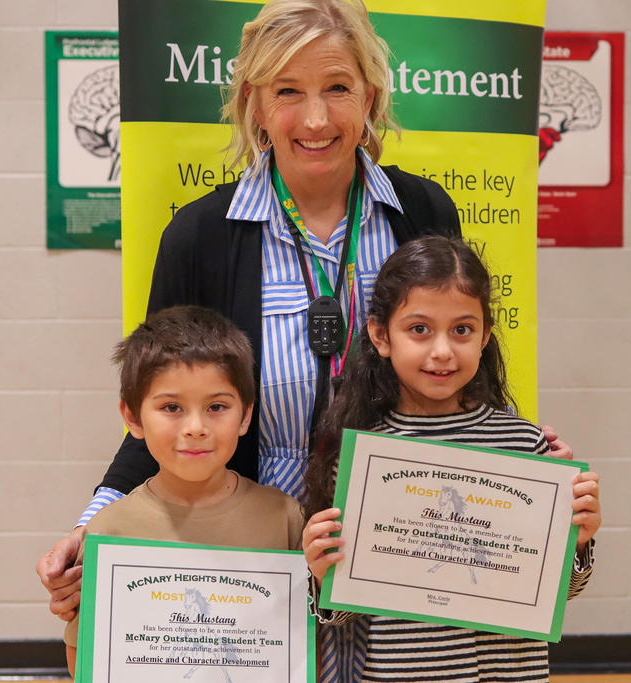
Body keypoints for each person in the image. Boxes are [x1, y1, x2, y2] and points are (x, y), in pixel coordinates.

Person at [37, 1, 572, 680]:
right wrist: (92, 531)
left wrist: (532, 478)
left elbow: (457, 384)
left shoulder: (424, 213)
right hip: (258, 573)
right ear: (254, 105)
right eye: (288, 91)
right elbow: (165, 406)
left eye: (337, 88)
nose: (315, 119)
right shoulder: (200, 238)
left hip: (400, 579)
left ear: (370, 97)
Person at [302, 236, 601, 683]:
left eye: (461, 330)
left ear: (485, 337)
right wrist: (322, 572)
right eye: (419, 329)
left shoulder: (526, 447)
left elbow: (563, 593)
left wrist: (581, 540)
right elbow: (340, 616)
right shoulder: (363, 457)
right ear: (381, 335)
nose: (442, 351)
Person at [62, 306, 305, 676]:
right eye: (172, 407)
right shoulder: (108, 530)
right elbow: (85, 655)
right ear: (132, 418)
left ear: (245, 416)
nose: (196, 427)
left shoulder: (283, 517)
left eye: (217, 406)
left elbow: (304, 642)